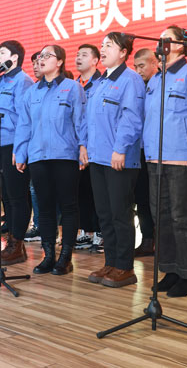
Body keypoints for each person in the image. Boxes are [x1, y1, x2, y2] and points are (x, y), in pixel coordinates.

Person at [145, 26, 187, 297]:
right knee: (161, 217)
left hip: (183, 158)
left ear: (181, 45)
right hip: (155, 158)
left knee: (182, 217)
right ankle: (171, 270)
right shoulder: (155, 78)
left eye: (166, 39)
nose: (160, 42)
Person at [15, 44, 87, 275]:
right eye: (40, 56)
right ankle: (48, 255)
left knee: (68, 206)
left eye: (48, 56)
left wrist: (83, 147)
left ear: (60, 62)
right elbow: (24, 125)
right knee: (44, 208)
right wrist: (20, 152)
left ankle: (65, 256)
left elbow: (81, 121)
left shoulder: (73, 88)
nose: (41, 59)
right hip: (38, 156)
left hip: (65, 155)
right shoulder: (31, 92)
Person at [85, 33, 144, 288]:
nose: (103, 49)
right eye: (102, 45)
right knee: (105, 213)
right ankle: (110, 262)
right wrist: (84, 146)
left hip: (119, 158)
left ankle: (125, 267)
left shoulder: (130, 79)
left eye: (109, 45)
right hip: (98, 157)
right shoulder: (100, 82)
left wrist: (120, 148)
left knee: (121, 213)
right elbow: (90, 119)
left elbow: (132, 118)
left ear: (123, 52)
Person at [0, 40, 34, 265]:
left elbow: (24, 118)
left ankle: (17, 244)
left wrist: (20, 149)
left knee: (17, 197)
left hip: (13, 145)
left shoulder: (23, 81)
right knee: (5, 197)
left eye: (2, 52)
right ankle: (11, 242)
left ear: (14, 57)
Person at [75, 43, 103, 251]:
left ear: (95, 60)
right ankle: (86, 231)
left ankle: (101, 232)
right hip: (77, 145)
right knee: (81, 191)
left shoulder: (102, 83)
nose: (78, 58)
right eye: (77, 54)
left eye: (84, 55)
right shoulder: (73, 85)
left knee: (97, 192)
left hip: (97, 145)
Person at [131, 48, 157, 258]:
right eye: (135, 67)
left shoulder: (161, 84)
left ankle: (164, 241)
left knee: (159, 199)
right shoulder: (135, 87)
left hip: (159, 150)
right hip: (139, 150)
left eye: (142, 66)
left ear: (154, 63)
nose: (138, 71)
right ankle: (147, 239)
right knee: (142, 197)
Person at [24, 52, 44, 242]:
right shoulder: (32, 90)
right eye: (34, 64)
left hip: (56, 152)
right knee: (34, 189)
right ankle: (39, 226)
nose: (36, 67)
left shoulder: (67, 87)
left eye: (40, 63)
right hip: (34, 149)